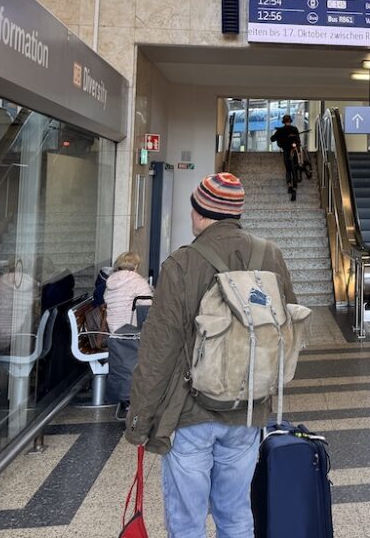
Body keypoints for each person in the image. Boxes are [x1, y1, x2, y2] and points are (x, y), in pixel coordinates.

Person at [125, 172, 297, 538]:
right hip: (248, 410)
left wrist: (140, 420)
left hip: (190, 413)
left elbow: (159, 350)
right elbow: (287, 324)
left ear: (200, 212)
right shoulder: (271, 255)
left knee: (187, 522)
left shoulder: (182, 264)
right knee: (235, 514)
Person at [103, 251, 153, 333]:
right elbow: (148, 305)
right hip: (132, 331)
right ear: (136, 266)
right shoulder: (138, 281)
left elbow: (106, 300)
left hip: (114, 330)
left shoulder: (111, 282)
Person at [269, 114, 302, 201]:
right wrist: (298, 150)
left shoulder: (280, 130)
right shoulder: (294, 129)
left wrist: (275, 136)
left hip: (286, 151)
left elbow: (272, 139)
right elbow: (298, 141)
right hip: (294, 151)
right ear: (290, 121)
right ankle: (295, 187)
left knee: (288, 170)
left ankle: (289, 185)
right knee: (295, 167)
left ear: (283, 122)